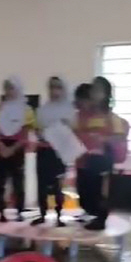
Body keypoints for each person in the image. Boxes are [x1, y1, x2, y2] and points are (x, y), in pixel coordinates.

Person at [74, 77, 128, 230]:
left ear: (106, 95)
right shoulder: (84, 116)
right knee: (83, 191)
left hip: (102, 159)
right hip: (84, 159)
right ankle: (91, 213)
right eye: (93, 89)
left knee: (99, 191)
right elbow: (76, 132)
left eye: (99, 90)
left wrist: (103, 138)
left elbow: (120, 135)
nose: (95, 93)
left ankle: (101, 219)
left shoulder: (111, 117)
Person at [32, 76, 75, 227]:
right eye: (51, 87)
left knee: (57, 185)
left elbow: (71, 131)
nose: (54, 91)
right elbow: (37, 130)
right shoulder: (42, 110)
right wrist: (42, 134)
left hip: (58, 153)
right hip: (43, 151)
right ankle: (42, 214)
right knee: (42, 184)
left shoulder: (69, 110)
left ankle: (59, 215)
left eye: (57, 87)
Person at [0, 77, 35, 222]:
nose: (9, 92)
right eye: (7, 89)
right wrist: (2, 146)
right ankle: (0, 212)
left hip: (17, 148)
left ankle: (19, 211)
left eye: (12, 88)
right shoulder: (0, 108)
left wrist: (12, 149)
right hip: (1, 148)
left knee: (18, 183)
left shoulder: (26, 110)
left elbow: (25, 135)